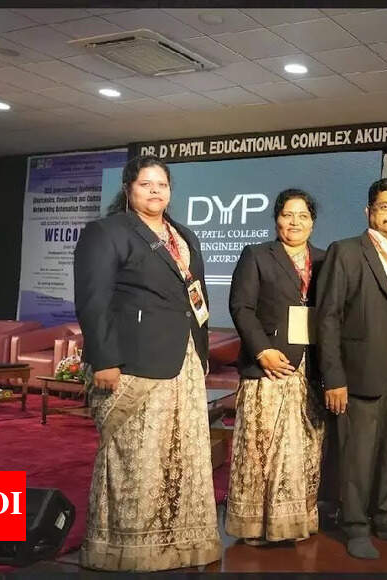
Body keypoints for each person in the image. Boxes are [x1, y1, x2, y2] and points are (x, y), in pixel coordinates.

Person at [74, 155, 220, 571]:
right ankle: (129, 550)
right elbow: (93, 301)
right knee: (138, 458)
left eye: (162, 184)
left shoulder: (184, 234)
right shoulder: (108, 232)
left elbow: (196, 297)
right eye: (145, 184)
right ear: (128, 189)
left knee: (183, 455)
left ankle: (180, 544)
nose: (155, 191)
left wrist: (202, 353)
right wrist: (105, 359)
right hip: (134, 363)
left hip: (184, 362)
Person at [316, 178, 387, 560]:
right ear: (369, 211)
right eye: (385, 207)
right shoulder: (347, 251)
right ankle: (355, 526)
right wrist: (333, 377)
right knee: (358, 454)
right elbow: (328, 318)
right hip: (361, 369)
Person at [225, 189, 327, 545]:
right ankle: (256, 526)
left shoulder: (326, 259)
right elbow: (241, 307)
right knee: (260, 448)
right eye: (287, 215)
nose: (295, 222)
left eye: (303, 215)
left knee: (304, 450)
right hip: (270, 366)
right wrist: (262, 350)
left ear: (312, 222)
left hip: (311, 368)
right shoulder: (256, 255)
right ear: (276, 219)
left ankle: (296, 522)